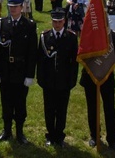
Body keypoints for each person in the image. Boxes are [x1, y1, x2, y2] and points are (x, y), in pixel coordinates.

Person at [0, 0, 38, 144]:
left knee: (20, 102)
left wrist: (30, 74)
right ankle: (7, 130)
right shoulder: (1, 24)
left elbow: (32, 52)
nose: (13, 9)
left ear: (22, 7)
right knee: (6, 102)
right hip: (5, 70)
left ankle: (19, 132)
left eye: (16, 7)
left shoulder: (29, 25)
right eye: (10, 7)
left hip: (21, 70)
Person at [37, 8, 78, 147]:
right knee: (49, 109)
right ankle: (50, 135)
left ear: (64, 21)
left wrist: (72, 80)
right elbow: (40, 60)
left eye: (60, 21)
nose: (57, 24)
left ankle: (59, 136)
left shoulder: (71, 37)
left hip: (64, 81)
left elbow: (74, 62)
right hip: (48, 81)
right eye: (55, 22)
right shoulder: (45, 37)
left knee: (61, 110)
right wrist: (40, 79)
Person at [80, 28, 115, 151]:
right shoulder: (88, 33)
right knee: (92, 107)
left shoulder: (112, 35)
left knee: (110, 108)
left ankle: (112, 140)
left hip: (107, 76)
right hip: (90, 75)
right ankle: (94, 135)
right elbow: (82, 53)